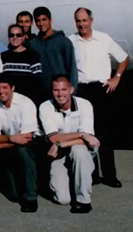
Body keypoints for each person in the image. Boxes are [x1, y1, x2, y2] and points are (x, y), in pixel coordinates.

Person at [68, 7, 127, 188]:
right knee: (86, 132)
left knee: (105, 133)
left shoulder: (103, 38)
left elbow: (123, 58)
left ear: (91, 21)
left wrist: (116, 78)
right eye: (78, 21)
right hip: (82, 91)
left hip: (101, 89)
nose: (81, 24)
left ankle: (110, 176)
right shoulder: (71, 41)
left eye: (84, 20)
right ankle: (92, 175)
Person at [39, 75, 100, 213]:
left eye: (64, 89)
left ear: (71, 89)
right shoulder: (45, 106)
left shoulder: (84, 105)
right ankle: (74, 181)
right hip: (60, 152)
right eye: (56, 90)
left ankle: (83, 200)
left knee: (78, 150)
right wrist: (80, 134)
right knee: (63, 200)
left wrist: (61, 144)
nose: (60, 94)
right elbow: (54, 138)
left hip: (82, 150)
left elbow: (89, 141)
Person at [0, 72, 40, 213]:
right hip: (11, 143)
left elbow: (27, 137)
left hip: (33, 143)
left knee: (23, 151)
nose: (1, 92)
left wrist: (1, 143)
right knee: (14, 196)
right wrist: (10, 139)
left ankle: (31, 198)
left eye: (5, 88)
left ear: (12, 88)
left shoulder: (25, 103)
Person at [30, 6, 78, 91]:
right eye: (38, 21)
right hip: (40, 91)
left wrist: (72, 88)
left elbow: (71, 68)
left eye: (44, 20)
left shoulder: (64, 42)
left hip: (60, 91)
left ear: (50, 20)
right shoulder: (33, 44)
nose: (41, 24)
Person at [0, 24, 44, 103]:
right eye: (12, 35)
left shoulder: (33, 56)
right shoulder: (3, 56)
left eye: (18, 35)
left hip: (27, 100)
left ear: (24, 37)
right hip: (8, 101)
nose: (15, 38)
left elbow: (38, 82)